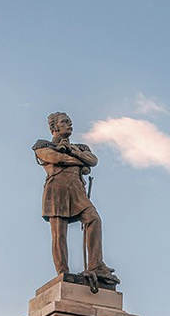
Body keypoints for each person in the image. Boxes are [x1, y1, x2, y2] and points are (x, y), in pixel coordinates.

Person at [35, 112, 113, 283]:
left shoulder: (80, 147)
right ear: (54, 127)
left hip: (77, 190)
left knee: (94, 219)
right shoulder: (42, 145)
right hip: (56, 191)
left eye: (70, 122)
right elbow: (54, 158)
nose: (69, 125)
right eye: (64, 122)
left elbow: (92, 160)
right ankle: (63, 272)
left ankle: (96, 265)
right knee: (59, 234)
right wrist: (79, 160)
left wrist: (72, 151)